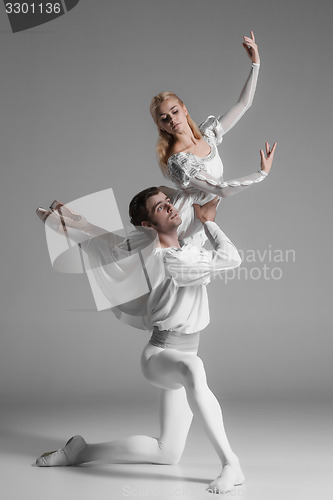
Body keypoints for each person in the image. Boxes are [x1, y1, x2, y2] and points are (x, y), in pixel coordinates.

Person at [35, 140, 276, 494]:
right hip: (162, 355)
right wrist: (210, 224)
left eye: (168, 202)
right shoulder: (172, 259)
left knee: (168, 452)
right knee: (194, 370)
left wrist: (72, 221)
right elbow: (232, 258)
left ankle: (80, 452)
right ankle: (231, 464)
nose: (171, 207)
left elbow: (111, 239)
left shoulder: (166, 245)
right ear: (150, 223)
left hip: (183, 351)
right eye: (162, 207)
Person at [150, 31, 271, 244]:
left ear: (184, 109)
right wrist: (261, 173)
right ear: (160, 126)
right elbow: (222, 190)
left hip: (200, 222)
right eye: (164, 118)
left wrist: (255, 64)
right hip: (183, 226)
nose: (172, 119)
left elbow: (243, 104)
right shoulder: (180, 161)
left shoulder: (208, 135)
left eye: (175, 111)